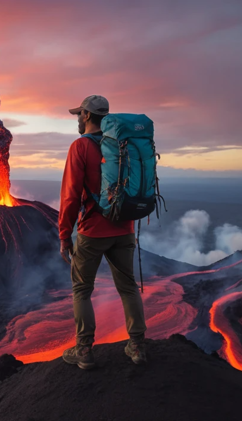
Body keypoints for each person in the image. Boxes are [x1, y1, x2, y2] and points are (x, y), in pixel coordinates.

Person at [58, 95, 148, 370]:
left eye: (78, 114)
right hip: (124, 228)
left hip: (93, 232)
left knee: (82, 290)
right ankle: (136, 347)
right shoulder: (124, 144)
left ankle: (83, 349)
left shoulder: (80, 146)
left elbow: (70, 196)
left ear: (86, 115)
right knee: (128, 287)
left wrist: (64, 235)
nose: (77, 118)